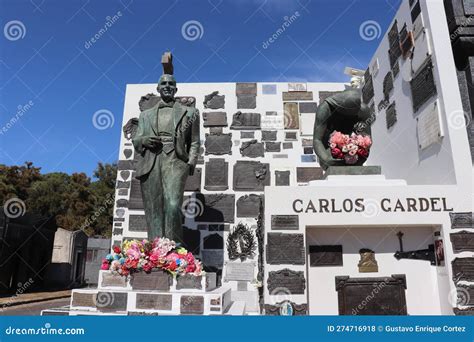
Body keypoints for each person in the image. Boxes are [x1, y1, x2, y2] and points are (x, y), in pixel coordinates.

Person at [132, 74, 200, 242]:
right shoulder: (145, 115)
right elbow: (137, 140)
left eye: (171, 84)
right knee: (153, 207)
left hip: (176, 161)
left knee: (172, 205)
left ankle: (173, 248)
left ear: (176, 89)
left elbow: (195, 141)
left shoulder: (190, 113)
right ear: (158, 88)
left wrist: (190, 163)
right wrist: (144, 140)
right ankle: (156, 250)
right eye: (164, 84)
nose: (167, 86)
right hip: (152, 160)